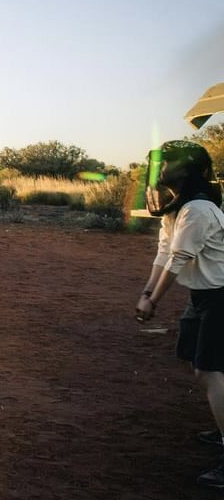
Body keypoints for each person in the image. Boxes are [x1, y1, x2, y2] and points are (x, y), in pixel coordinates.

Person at [135, 140, 224, 489]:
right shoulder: (177, 209)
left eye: (166, 162)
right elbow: (163, 253)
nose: (158, 168)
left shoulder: (198, 209)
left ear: (185, 169)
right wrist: (146, 294)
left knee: (210, 370)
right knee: (201, 366)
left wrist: (153, 301)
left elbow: (179, 259)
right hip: (203, 295)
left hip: (219, 296)